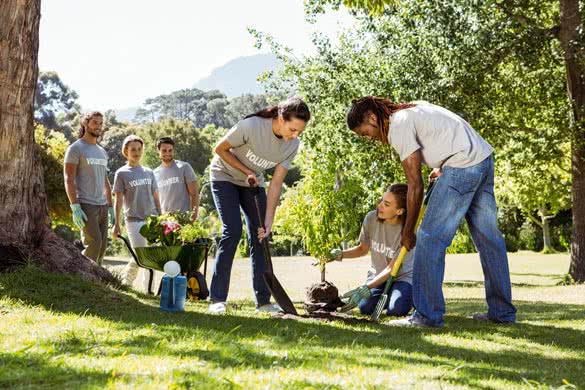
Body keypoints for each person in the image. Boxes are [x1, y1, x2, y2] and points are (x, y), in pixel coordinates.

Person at [346, 97, 516, 327]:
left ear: (372, 118)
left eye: (365, 133)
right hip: (483, 159)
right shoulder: (414, 108)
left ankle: (426, 316)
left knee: (428, 238)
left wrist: (408, 231)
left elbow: (414, 185)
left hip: (463, 165)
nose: (370, 138)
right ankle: (502, 313)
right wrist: (441, 164)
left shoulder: (398, 125)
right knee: (489, 240)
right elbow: (449, 132)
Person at [207, 96, 310, 314]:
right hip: (223, 176)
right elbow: (220, 149)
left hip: (253, 184)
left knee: (260, 235)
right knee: (232, 231)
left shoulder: (292, 145)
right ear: (281, 119)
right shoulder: (251, 126)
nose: (295, 135)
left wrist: (268, 221)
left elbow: (276, 184)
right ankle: (217, 299)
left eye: (299, 131)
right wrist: (248, 171)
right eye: (293, 129)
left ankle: (263, 302)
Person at [328, 184, 414, 317]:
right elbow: (363, 249)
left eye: (386, 204)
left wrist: (366, 288)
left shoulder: (407, 232)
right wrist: (340, 254)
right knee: (365, 308)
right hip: (378, 276)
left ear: (400, 211)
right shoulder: (371, 218)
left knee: (396, 310)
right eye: (381, 200)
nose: (380, 206)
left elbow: (391, 269)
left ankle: (407, 295)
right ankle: (388, 296)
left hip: (402, 278)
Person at [64, 111, 114, 265]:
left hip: (102, 205)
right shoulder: (76, 149)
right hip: (86, 204)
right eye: (95, 123)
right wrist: (75, 205)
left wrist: (110, 205)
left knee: (103, 245)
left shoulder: (102, 151)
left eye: (100, 123)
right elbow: (69, 178)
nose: (98, 126)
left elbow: (105, 180)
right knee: (94, 243)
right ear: (85, 124)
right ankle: (84, 276)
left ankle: (97, 280)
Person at [112, 135, 161, 288]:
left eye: (139, 149)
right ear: (126, 151)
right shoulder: (121, 173)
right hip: (134, 220)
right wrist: (116, 224)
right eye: (133, 149)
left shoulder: (149, 172)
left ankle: (148, 290)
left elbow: (156, 196)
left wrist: (161, 216)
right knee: (140, 254)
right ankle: (126, 281)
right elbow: (118, 200)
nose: (136, 152)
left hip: (152, 220)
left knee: (151, 256)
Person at [153, 137, 199, 218]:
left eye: (170, 150)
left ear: (173, 151)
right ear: (158, 151)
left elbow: (194, 194)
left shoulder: (184, 167)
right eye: (164, 150)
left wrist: (194, 217)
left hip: (184, 218)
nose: (167, 153)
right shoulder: (154, 173)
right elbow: (156, 201)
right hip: (165, 221)